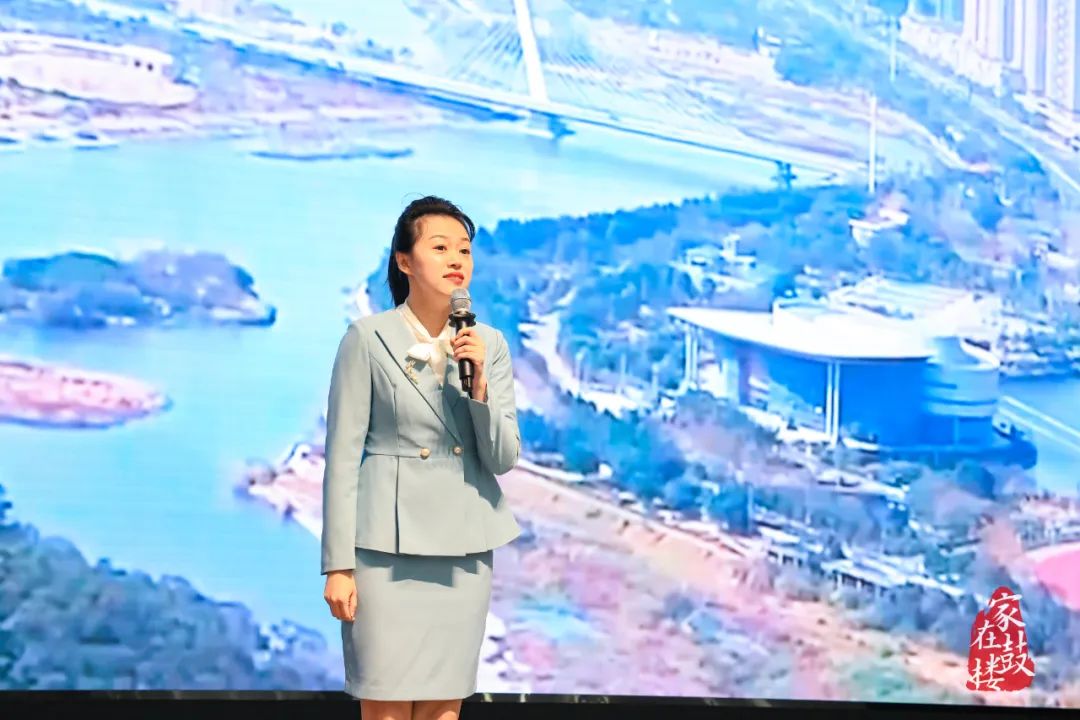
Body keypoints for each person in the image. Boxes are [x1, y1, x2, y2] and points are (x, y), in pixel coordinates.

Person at [320, 195, 522, 720]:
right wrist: (338, 566)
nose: (457, 260)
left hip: (463, 548)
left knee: (442, 709)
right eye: (440, 247)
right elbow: (342, 457)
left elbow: (502, 457)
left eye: (465, 250)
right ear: (405, 261)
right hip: (385, 550)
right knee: (385, 705)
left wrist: (479, 389)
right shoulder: (366, 339)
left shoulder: (489, 344)